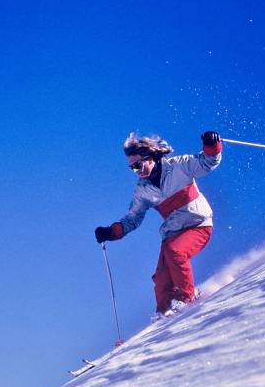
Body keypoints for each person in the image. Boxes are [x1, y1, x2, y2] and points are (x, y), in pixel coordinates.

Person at [95, 131, 222, 320]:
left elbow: (206, 163)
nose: (137, 171)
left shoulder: (179, 166)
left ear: (151, 158)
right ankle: (163, 319)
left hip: (198, 224)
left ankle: (187, 299)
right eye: (132, 169)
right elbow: (133, 218)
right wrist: (111, 232)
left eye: (138, 165)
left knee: (175, 251)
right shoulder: (143, 190)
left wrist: (212, 145)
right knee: (161, 280)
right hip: (173, 232)